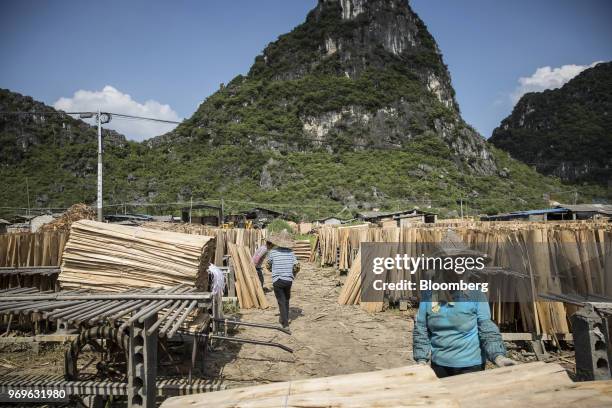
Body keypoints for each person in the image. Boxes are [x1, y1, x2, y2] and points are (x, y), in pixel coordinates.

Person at [412, 269, 516, 378]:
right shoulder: (429, 296)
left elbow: (486, 328)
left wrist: (498, 356)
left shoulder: (475, 295)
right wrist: (421, 360)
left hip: (471, 367)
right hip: (439, 365)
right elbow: (421, 328)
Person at [265, 230, 300, 328]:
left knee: (281, 301)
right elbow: (297, 266)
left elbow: (268, 265)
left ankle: (285, 324)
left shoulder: (273, 252)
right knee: (286, 300)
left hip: (278, 280)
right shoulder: (291, 253)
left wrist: (274, 270)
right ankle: (284, 317)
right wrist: (292, 274)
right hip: (288, 280)